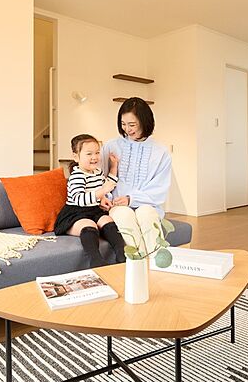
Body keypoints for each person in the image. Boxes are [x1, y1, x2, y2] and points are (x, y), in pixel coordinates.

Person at [101, 98, 172, 253]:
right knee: (124, 215)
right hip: (117, 206)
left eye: (132, 125)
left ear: (144, 122)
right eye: (123, 124)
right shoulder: (111, 146)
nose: (127, 129)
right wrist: (106, 198)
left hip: (148, 204)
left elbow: (159, 189)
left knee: (146, 215)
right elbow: (101, 178)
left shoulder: (161, 152)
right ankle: (139, 261)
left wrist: (131, 199)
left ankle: (158, 262)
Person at [54, 134, 127, 267]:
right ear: (76, 157)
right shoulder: (77, 175)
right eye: (89, 154)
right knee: (90, 225)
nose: (94, 157)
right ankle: (96, 260)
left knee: (108, 221)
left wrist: (114, 167)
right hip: (76, 213)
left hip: (94, 210)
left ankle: (121, 254)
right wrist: (102, 192)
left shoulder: (97, 172)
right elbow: (79, 199)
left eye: (97, 153)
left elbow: (107, 184)